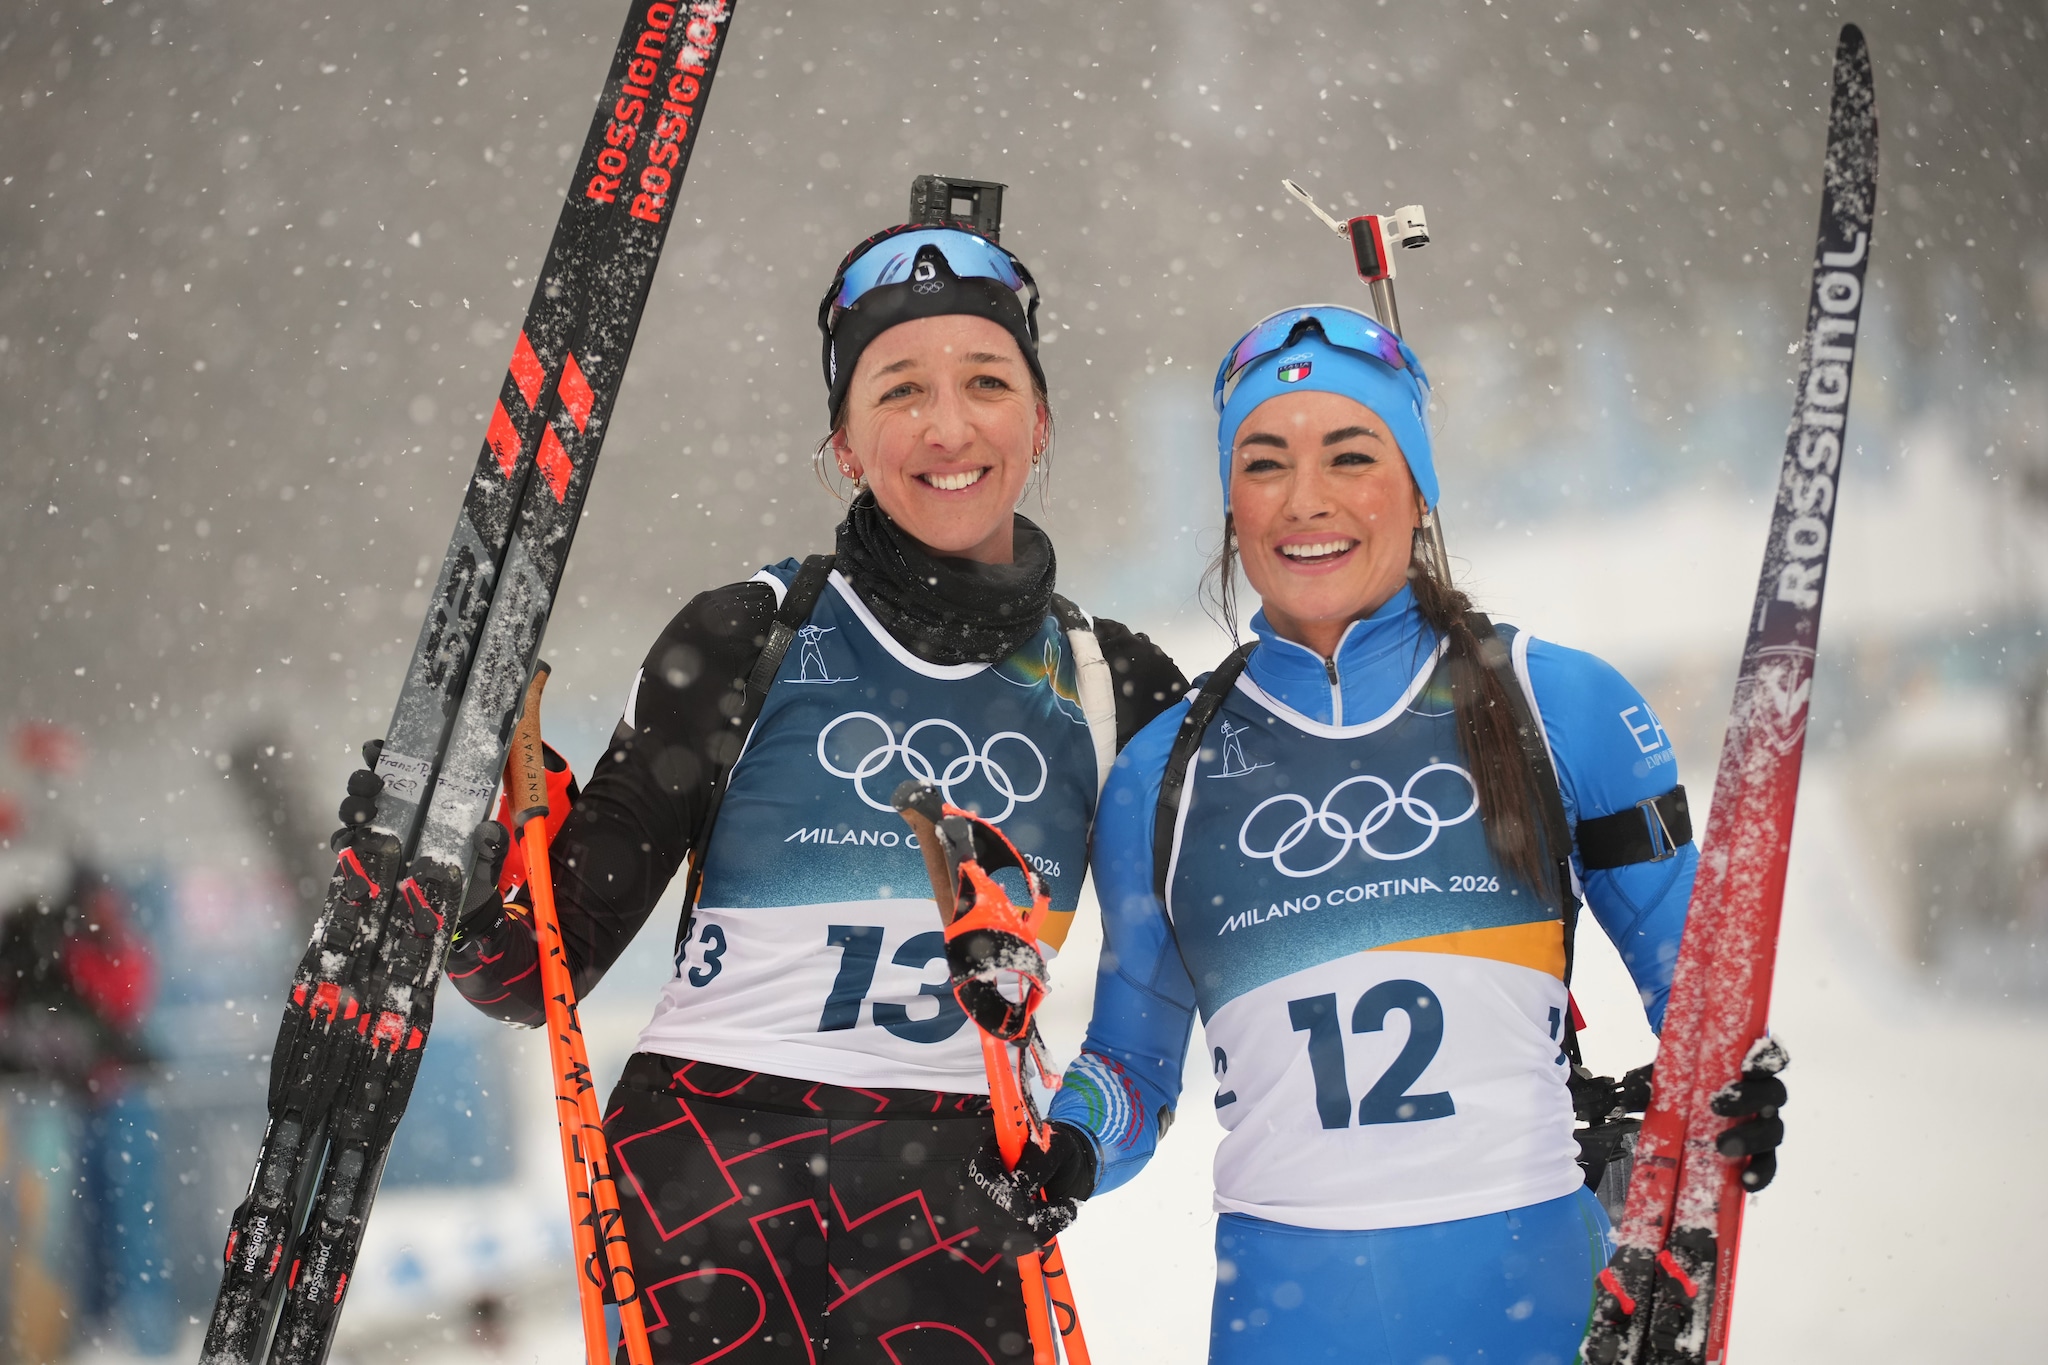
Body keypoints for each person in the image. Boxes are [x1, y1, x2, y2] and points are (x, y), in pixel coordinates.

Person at [433, 213, 1187, 1361]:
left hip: (954, 1205)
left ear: (1038, 421)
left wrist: (1074, 1144)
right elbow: (533, 969)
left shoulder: (1116, 685)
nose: (946, 426)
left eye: (985, 380)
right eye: (896, 390)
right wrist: (451, 868)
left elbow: (1167, 1015)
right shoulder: (751, 633)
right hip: (704, 1178)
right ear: (841, 440)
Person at [993, 305, 1787, 1362]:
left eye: (1351, 455)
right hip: (1286, 1320)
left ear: (1416, 488)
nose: (1305, 500)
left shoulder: (1556, 704)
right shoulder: (1159, 776)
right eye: (1263, 463)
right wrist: (1068, 1142)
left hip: (1534, 1305)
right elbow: (1133, 1070)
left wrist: (1731, 1090)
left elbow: (1705, 1010)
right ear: (1229, 503)